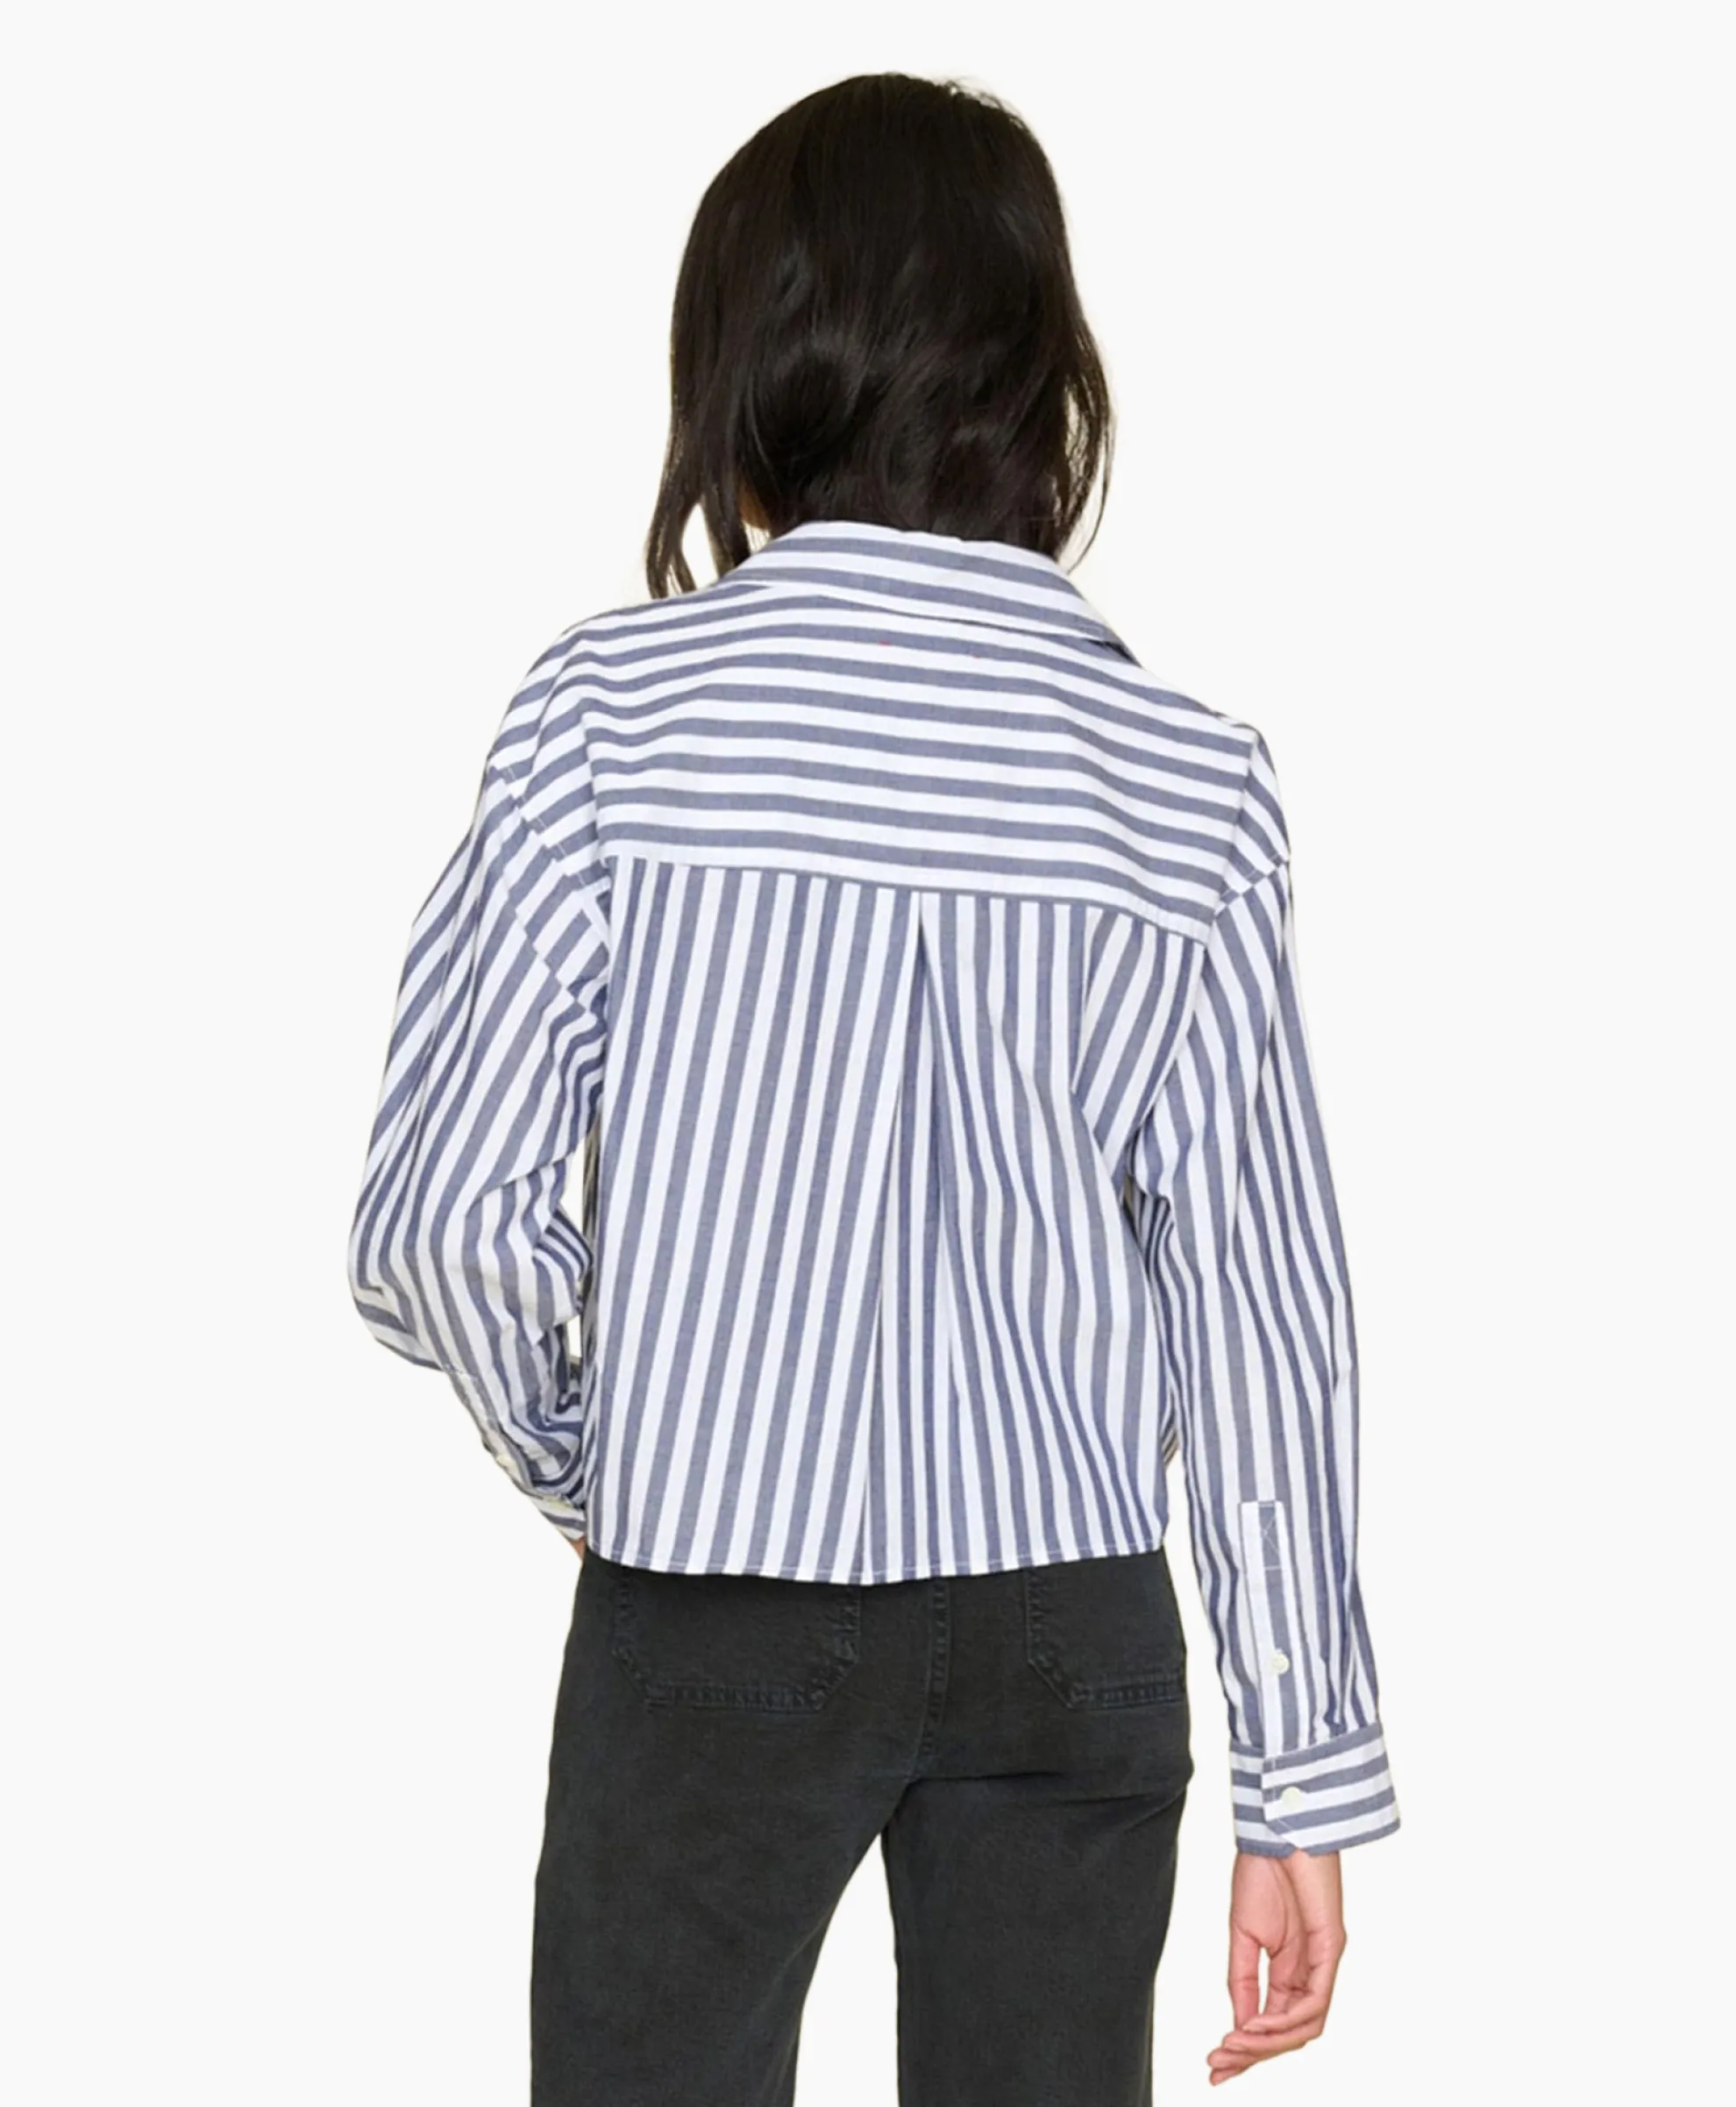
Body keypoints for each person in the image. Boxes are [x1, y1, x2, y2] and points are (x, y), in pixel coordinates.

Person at [345, 68, 1398, 2107]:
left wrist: (604, 1459)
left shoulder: (612, 721)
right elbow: (1264, 1310)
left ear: (751, 364)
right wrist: (1305, 1771)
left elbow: (441, 1223)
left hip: (713, 1601)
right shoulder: (1188, 785)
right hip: (1068, 1620)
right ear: (1041, 379)